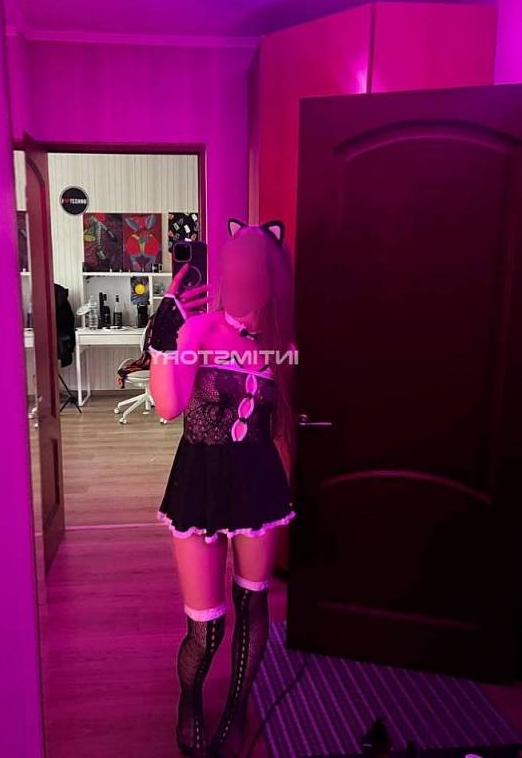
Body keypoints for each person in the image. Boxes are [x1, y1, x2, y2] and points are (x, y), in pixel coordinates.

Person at [147, 218, 297, 757]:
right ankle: (190, 702)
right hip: (200, 482)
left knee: (253, 608)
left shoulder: (283, 343)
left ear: (270, 275)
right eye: (231, 264)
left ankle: (237, 706)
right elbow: (168, 408)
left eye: (251, 265)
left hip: (259, 485)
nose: (238, 276)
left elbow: (282, 427)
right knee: (206, 627)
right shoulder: (199, 330)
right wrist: (163, 342)